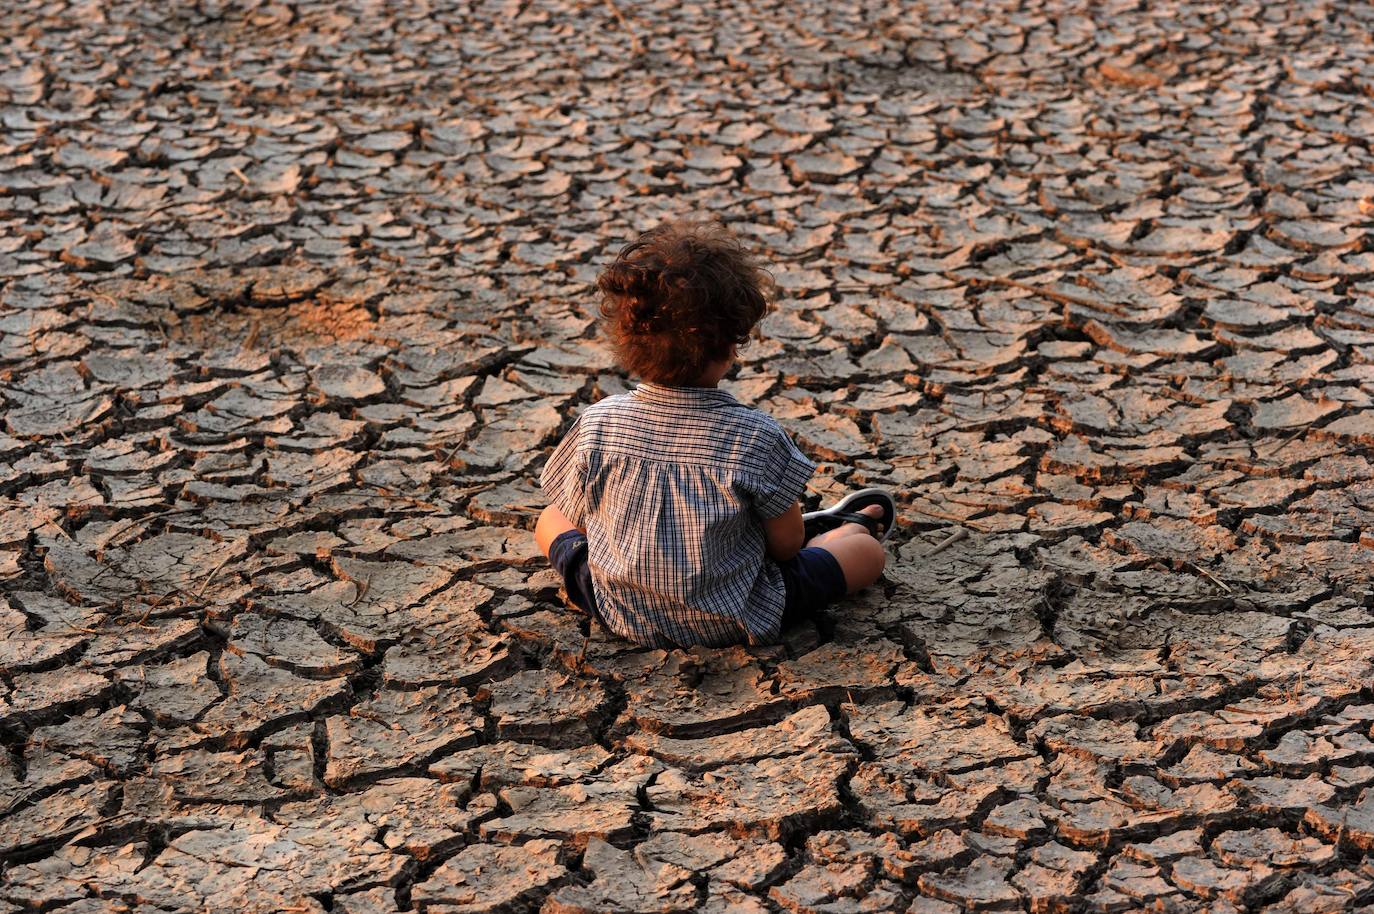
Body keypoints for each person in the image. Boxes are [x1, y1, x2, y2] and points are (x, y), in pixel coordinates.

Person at [533, 218, 890, 648]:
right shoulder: (753, 436)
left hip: (619, 609)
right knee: (865, 552)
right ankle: (837, 529)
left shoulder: (597, 423)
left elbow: (578, 516)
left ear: (625, 340)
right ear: (730, 345)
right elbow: (786, 547)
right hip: (736, 614)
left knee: (549, 518)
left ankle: (826, 528)